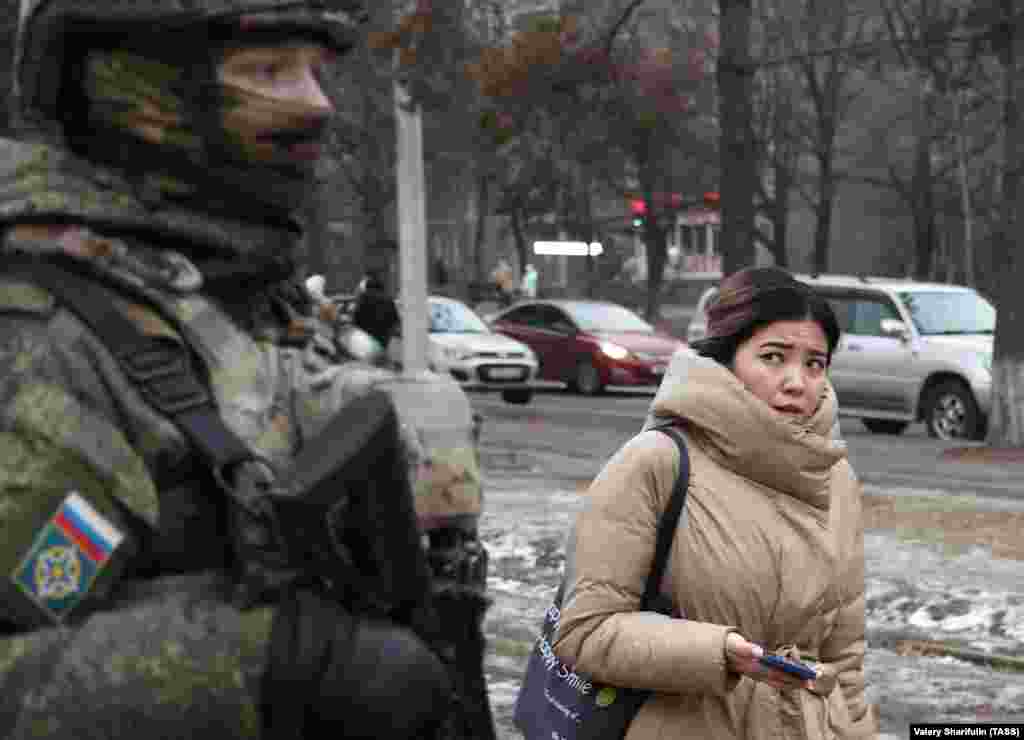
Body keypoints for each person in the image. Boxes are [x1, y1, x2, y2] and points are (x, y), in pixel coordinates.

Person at [0, 1, 493, 738]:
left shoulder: (237, 292)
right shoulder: (44, 333)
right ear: (140, 94)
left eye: (314, 72)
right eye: (267, 71)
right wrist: (279, 665)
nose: (317, 104)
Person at [552, 267, 877, 739]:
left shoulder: (834, 479)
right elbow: (585, 632)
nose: (797, 382)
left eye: (814, 363)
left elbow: (843, 659)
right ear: (725, 360)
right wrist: (716, 651)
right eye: (773, 357)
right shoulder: (656, 463)